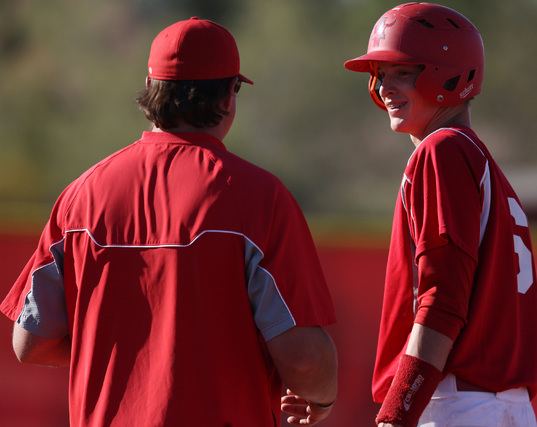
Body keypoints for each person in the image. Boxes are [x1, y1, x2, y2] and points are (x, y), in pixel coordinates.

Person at [1, 17, 338, 427]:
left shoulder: (80, 196)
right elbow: (304, 358)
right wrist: (321, 400)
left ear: (151, 86)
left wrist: (127, 347)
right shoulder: (257, 197)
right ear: (230, 95)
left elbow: (31, 341)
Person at [344, 3, 537, 426]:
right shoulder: (483, 164)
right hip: (504, 406)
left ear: (451, 73)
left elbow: (441, 301)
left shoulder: (442, 150)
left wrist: (397, 413)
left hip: (455, 404)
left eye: (404, 71)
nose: (385, 87)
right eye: (381, 75)